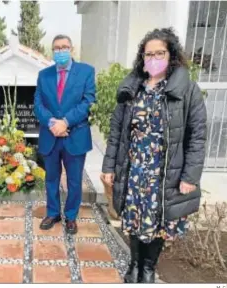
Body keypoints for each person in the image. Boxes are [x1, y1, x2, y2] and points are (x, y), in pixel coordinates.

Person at [101, 28, 207, 283]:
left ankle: (148, 267)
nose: (154, 58)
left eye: (160, 53)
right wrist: (109, 166)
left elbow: (197, 137)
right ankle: (134, 264)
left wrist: (190, 176)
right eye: (149, 54)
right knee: (133, 218)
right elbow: (117, 132)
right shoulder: (131, 89)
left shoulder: (187, 90)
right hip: (134, 170)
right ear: (142, 58)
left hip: (164, 173)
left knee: (159, 223)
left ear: (171, 56)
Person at [34, 35, 96, 234]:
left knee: (74, 180)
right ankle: (53, 213)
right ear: (52, 51)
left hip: (74, 135)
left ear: (72, 49)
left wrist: (66, 122)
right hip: (50, 135)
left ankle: (71, 216)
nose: (61, 51)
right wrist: (53, 123)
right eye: (57, 48)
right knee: (51, 178)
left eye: (64, 47)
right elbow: (38, 105)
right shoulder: (44, 75)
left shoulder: (86, 72)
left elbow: (87, 102)